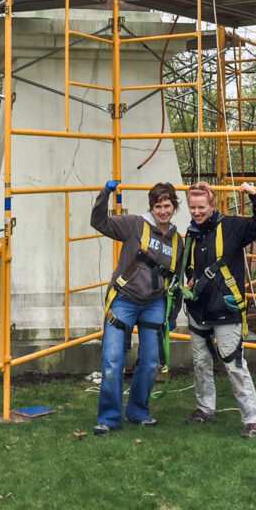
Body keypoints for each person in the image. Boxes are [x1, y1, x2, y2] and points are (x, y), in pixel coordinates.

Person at [90, 180, 184, 434]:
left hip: (154, 304)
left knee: (151, 361)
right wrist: (105, 194)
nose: (162, 211)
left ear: (173, 207)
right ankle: (108, 418)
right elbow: (99, 223)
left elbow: (177, 281)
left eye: (167, 206)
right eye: (158, 206)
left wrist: (172, 315)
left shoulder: (178, 242)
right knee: (112, 360)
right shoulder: (134, 225)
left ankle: (138, 411)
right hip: (124, 300)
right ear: (151, 207)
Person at [182, 179, 256, 438]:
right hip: (199, 309)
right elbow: (192, 265)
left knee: (233, 364)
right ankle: (204, 407)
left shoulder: (232, 227)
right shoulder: (192, 233)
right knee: (200, 362)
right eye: (192, 208)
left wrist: (254, 195)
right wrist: (188, 276)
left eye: (201, 207)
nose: (197, 212)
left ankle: (252, 418)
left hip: (225, 308)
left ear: (212, 205)